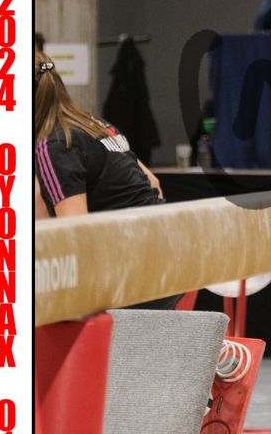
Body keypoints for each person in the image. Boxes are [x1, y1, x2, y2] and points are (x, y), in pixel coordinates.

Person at [34, 50, 179, 309]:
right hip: (171, 256)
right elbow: (153, 183)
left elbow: (75, 230)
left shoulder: (53, 143)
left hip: (133, 272)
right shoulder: (94, 124)